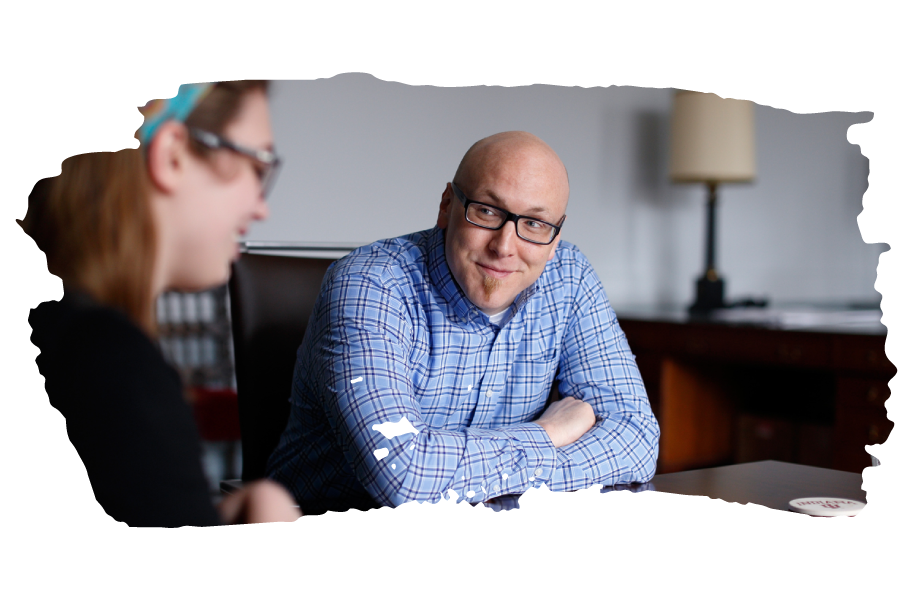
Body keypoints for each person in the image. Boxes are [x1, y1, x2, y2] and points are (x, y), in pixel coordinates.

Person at [266, 130, 660, 509]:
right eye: (487, 211)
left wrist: (456, 469)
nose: (505, 246)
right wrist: (548, 434)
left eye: (535, 224)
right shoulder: (371, 283)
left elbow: (637, 442)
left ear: (556, 237)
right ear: (447, 206)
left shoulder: (569, 277)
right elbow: (403, 478)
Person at [22, 80, 302, 526]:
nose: (260, 207)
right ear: (171, 154)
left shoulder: (59, 333)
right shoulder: (107, 364)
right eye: (258, 165)